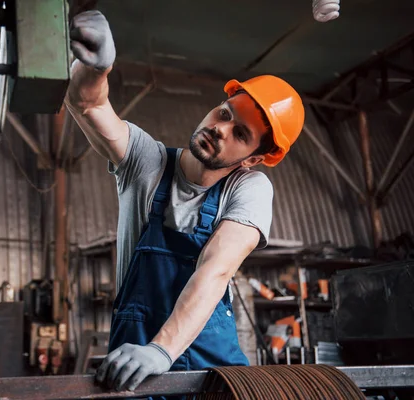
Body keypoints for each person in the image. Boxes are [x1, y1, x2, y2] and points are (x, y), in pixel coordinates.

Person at [65, 10, 305, 396]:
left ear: (253, 158)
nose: (219, 128)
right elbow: (90, 106)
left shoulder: (248, 188)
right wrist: (97, 69)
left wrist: (161, 350)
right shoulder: (146, 163)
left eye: (239, 133)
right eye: (224, 114)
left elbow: (216, 270)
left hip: (212, 379)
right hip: (134, 369)